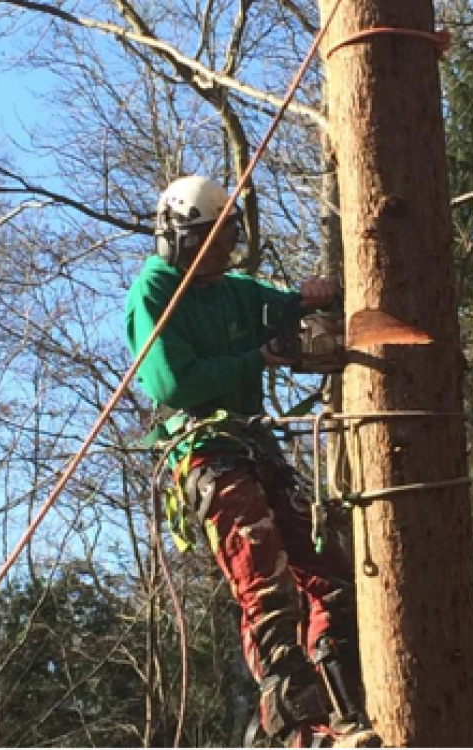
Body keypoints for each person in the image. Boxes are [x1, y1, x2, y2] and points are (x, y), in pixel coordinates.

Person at [125, 175, 382, 750]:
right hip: (206, 453)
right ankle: (297, 730)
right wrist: (255, 359)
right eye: (210, 240)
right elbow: (173, 380)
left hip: (256, 447)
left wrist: (318, 296)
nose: (221, 251)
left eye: (226, 238)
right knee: (264, 583)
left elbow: (285, 306)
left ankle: (348, 714)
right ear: (180, 240)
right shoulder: (156, 290)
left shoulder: (235, 289)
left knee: (328, 573)